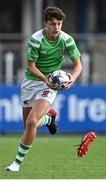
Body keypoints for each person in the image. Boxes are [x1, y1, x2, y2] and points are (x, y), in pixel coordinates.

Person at [6, 6, 82, 172]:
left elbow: (78, 64)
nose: (56, 27)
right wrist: (45, 78)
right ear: (45, 24)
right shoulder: (36, 39)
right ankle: (49, 119)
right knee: (28, 126)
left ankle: (16, 163)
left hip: (50, 85)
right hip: (31, 82)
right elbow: (31, 66)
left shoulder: (67, 40)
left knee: (32, 122)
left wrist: (72, 79)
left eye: (59, 24)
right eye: (53, 23)